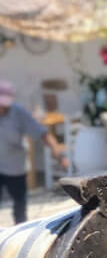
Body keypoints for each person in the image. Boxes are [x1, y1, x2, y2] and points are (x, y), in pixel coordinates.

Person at [0, 80, 68, 225]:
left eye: (5, 103)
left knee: (19, 207)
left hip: (15, 167)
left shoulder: (18, 112)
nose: (2, 107)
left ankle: (20, 235)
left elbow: (43, 134)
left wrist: (59, 155)